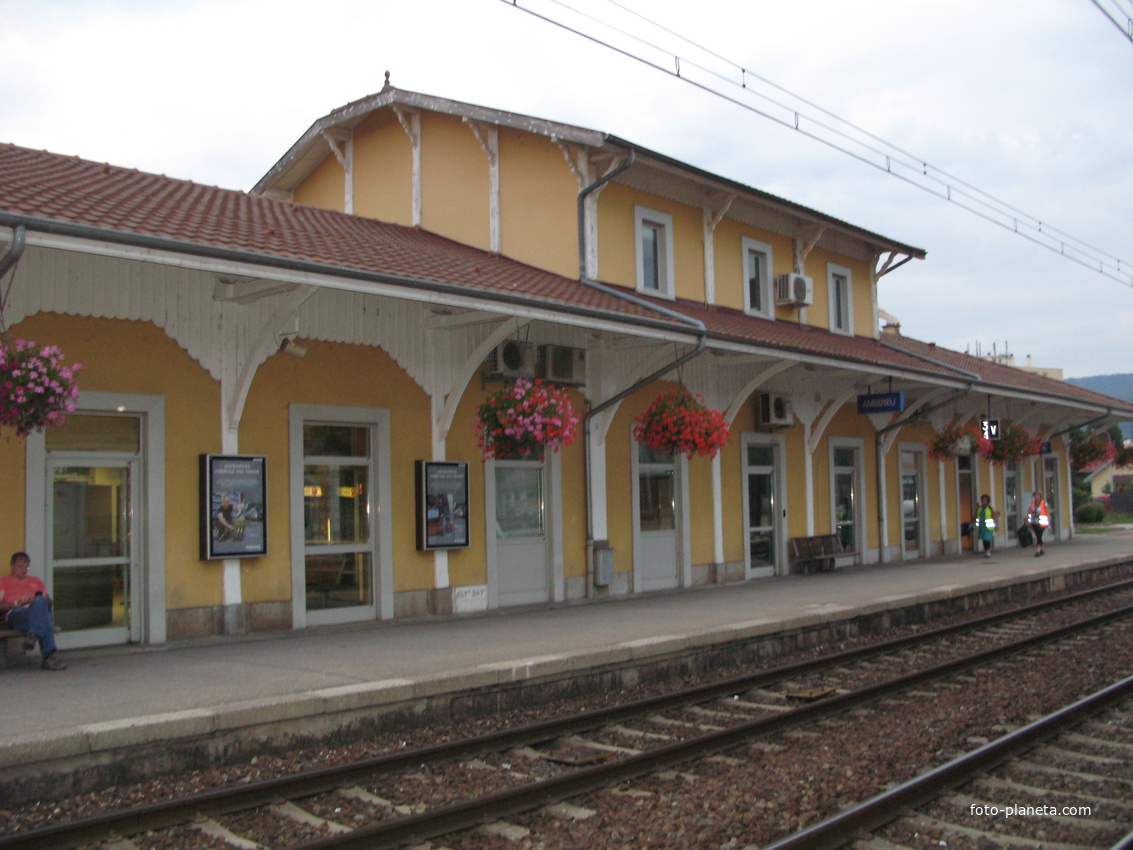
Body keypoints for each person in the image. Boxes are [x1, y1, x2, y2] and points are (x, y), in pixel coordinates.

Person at [0, 552, 66, 670]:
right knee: (44, 619)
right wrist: (16, 604)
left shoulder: (36, 581)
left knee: (40, 602)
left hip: (36, 612)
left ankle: (33, 634)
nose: (24, 570)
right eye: (20, 566)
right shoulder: (3, 582)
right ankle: (48, 658)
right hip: (17, 613)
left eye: (27, 567)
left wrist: (47, 599)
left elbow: (48, 604)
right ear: (12, 565)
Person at [1027, 490, 1051, 557]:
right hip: (1034, 522)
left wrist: (1049, 523)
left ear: (1040, 496)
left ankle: (1038, 550)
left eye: (1037, 495)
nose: (1036, 497)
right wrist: (1029, 521)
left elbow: (1047, 513)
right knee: (1038, 536)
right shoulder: (1033, 503)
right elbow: (1030, 512)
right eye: (1035, 495)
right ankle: (1041, 549)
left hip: (1042, 523)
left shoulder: (1044, 503)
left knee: (1039, 536)